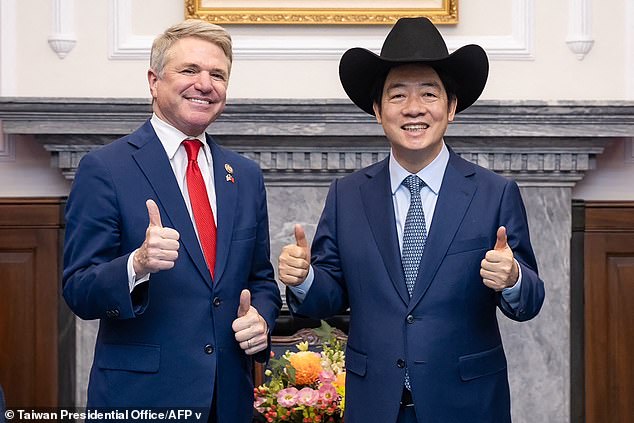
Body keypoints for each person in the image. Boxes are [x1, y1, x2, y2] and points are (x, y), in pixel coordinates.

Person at [278, 17, 545, 423]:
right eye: (397, 94)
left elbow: (529, 302)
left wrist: (512, 279)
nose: (413, 108)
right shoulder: (348, 195)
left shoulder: (494, 193)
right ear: (377, 110)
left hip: (468, 406)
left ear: (451, 108)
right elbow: (330, 297)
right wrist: (304, 279)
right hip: (375, 405)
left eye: (429, 94)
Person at [63, 19, 281, 422]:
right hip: (141, 398)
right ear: (153, 81)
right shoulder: (106, 169)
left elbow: (260, 280)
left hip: (229, 399)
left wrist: (261, 318)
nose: (205, 83)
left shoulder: (244, 175)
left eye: (218, 74)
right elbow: (78, 290)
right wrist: (136, 265)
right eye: (189, 70)